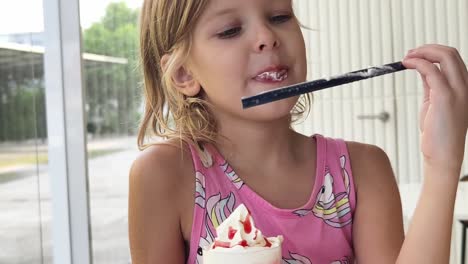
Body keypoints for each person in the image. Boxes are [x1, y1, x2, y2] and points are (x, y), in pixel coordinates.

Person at [128, 0, 468, 263]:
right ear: (184, 73)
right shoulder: (164, 175)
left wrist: (443, 163)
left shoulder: (364, 169)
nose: (267, 38)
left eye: (279, 16)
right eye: (230, 30)